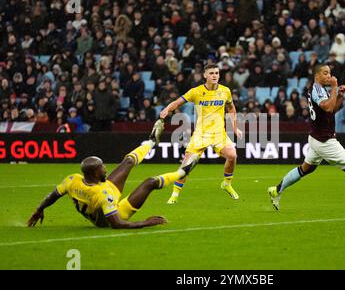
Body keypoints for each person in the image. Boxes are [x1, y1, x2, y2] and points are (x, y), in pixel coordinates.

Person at [27, 120, 198, 229]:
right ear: (95, 172)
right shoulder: (104, 195)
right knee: (150, 182)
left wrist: (39, 209)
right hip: (115, 213)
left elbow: (53, 195)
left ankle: (152, 141)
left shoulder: (72, 180)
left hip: (104, 191)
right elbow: (117, 224)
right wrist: (146, 222)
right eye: (102, 168)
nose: (105, 169)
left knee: (128, 162)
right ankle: (183, 171)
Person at [267, 64, 345, 212]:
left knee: (305, 169)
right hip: (324, 140)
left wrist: (339, 95)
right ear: (317, 76)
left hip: (316, 137)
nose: (329, 76)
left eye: (330, 73)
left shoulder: (321, 89)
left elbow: (332, 110)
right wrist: (335, 87)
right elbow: (328, 107)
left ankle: (276, 190)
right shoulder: (317, 90)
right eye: (325, 73)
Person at [159, 63, 243, 204]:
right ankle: (175, 194)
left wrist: (235, 128)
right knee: (186, 165)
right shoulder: (196, 92)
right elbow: (178, 102)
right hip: (200, 134)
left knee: (232, 155)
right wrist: (168, 108)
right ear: (205, 75)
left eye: (216, 73)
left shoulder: (225, 91)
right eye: (211, 73)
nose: (214, 75)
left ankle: (227, 184)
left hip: (218, 134)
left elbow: (231, 108)